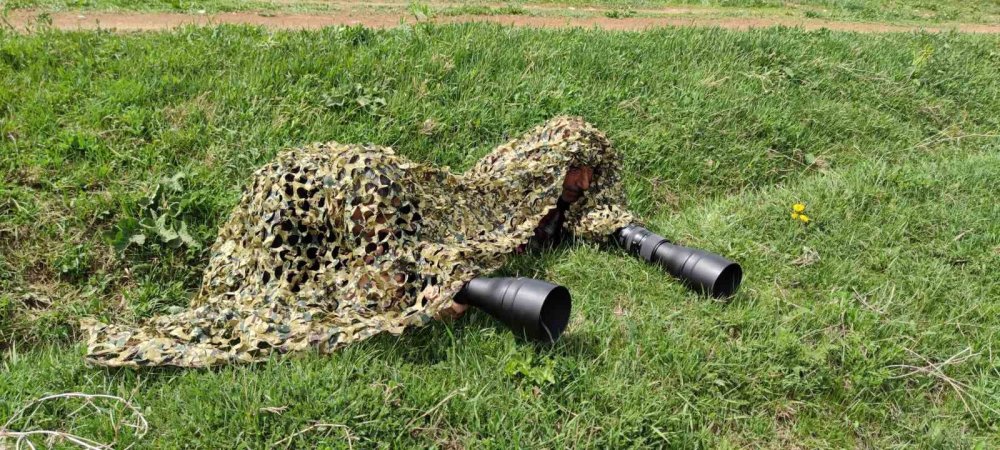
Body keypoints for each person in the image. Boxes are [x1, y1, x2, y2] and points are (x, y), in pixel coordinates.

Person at [82, 116, 635, 367]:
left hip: (353, 185)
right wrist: (437, 287)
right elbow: (394, 255)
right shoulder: (487, 193)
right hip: (344, 184)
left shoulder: (545, 200)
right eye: (575, 172)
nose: (582, 184)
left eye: (587, 174)